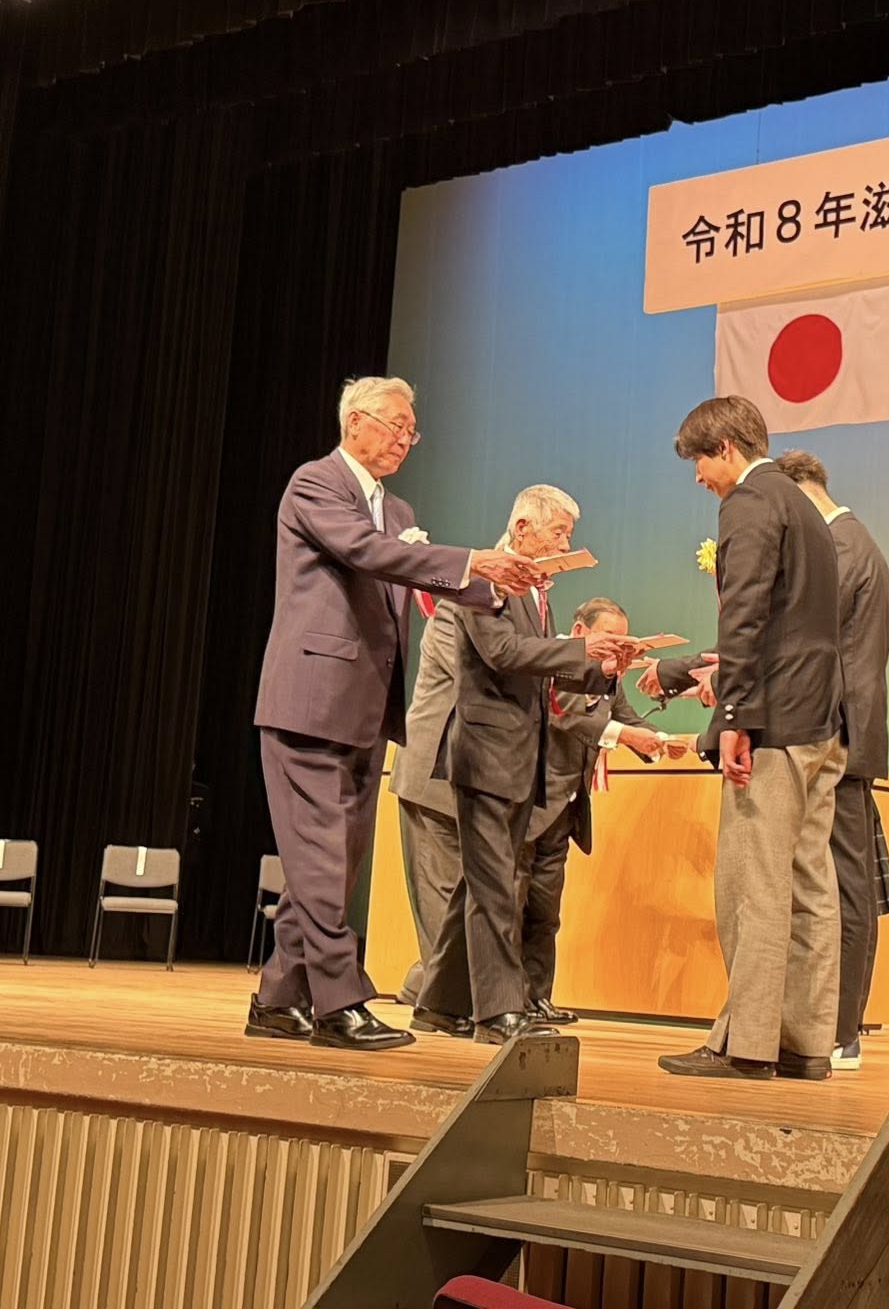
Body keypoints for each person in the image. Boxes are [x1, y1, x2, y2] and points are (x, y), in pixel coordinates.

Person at [247, 375, 545, 1052]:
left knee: (334, 862)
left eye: (413, 431)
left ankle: (278, 999)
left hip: (364, 706)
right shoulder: (316, 484)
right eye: (396, 425)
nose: (406, 439)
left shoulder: (397, 506)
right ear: (355, 421)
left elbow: (409, 572)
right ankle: (338, 1002)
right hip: (309, 700)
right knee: (322, 859)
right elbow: (369, 552)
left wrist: (497, 587)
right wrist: (473, 561)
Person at [656, 396, 845, 1081]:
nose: (699, 476)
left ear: (727, 448)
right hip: (821, 719)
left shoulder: (749, 502)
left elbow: (745, 616)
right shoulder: (806, 508)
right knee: (809, 885)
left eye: (700, 460)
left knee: (753, 886)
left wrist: (733, 717)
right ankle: (807, 1043)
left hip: (775, 723)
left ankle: (747, 1045)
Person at [415, 486, 636, 1044]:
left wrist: (607, 669)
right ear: (521, 529)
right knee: (494, 888)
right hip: (486, 754)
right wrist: (584, 651)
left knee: (478, 885)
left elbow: (540, 671)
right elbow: (503, 654)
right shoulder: (482, 580)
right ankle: (497, 1013)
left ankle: (437, 1005)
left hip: (518, 759)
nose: (565, 544)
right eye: (558, 533)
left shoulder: (535, 591)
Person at [774, 449, 889, 1071]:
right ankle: (835, 1025)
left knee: (846, 884)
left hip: (840, 730)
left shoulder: (841, 546)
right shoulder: (853, 540)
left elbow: (809, 641)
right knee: (843, 879)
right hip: (846, 726)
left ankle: (841, 1027)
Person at [527, 596, 685, 1025]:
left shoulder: (607, 676)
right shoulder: (555, 661)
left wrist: (664, 741)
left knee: (545, 911)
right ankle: (505, 1001)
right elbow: (566, 715)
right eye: (611, 639)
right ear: (580, 632)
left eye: (625, 642)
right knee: (515, 904)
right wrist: (631, 738)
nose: (620, 648)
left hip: (565, 807)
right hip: (532, 801)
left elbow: (628, 718)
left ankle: (536, 997)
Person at [384, 590, 467, 1005]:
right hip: (431, 774)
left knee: (457, 898)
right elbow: (481, 678)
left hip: (466, 780)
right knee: (439, 895)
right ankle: (443, 1002)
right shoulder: (455, 612)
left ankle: (425, 986)